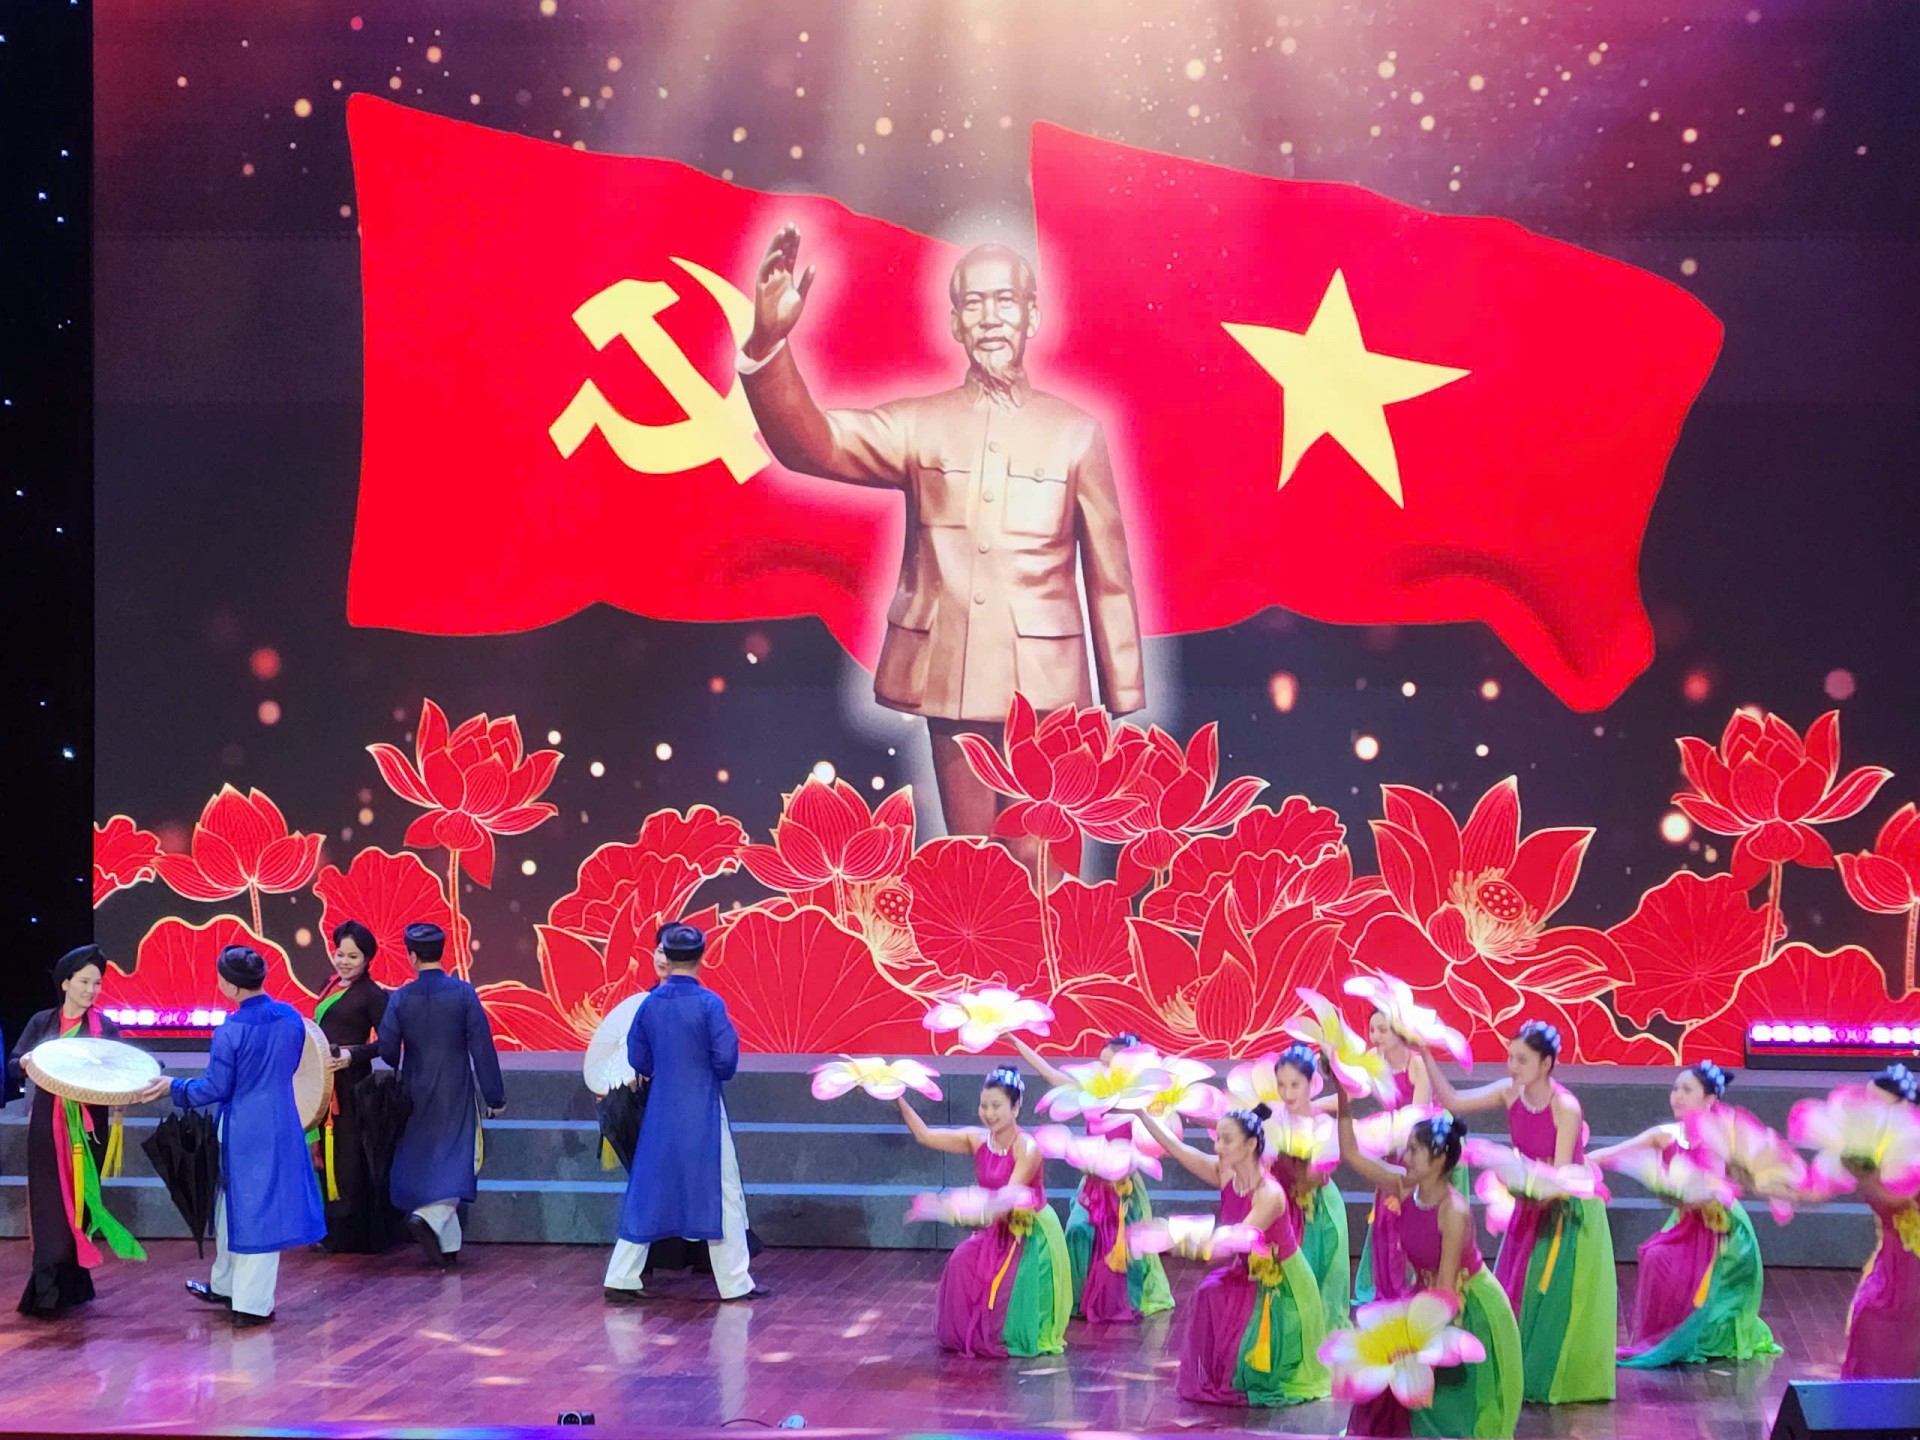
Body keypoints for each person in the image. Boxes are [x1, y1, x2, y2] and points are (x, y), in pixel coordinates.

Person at [739, 227, 1146, 862]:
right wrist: (769, 346)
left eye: (1005, 300)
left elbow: (1109, 573)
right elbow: (815, 443)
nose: (990, 318)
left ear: (1033, 315)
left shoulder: (1076, 434)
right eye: (973, 303)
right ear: (955, 322)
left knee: (1047, 871)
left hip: (1050, 686)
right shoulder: (920, 424)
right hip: (952, 675)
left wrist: (1123, 691)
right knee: (971, 868)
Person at [1422, 1020, 1616, 1404]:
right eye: (1510, 1058)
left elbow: (1561, 1176)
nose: (1513, 1067)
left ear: (1546, 1063)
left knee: (1551, 1297)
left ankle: (1549, 1376)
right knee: (1518, 1287)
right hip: (1531, 1203)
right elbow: (1454, 1101)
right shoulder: (1510, 1093)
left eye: (1522, 1060)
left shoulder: (1565, 1107)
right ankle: (1514, 1370)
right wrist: (1425, 1053)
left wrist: (1523, 1187)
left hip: (1568, 1211)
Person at [138, 944, 324, 1326]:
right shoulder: (291, 1018)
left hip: (242, 1129)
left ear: (232, 986)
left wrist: (173, 1086)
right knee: (237, 1207)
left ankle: (251, 1304)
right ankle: (226, 1285)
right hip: (280, 1124)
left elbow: (215, 1088)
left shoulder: (231, 1030)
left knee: (254, 1212)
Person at [1333, 1086, 1522, 1439]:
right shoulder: (1405, 1187)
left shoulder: (1453, 1212)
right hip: (1426, 1296)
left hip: (1463, 1303)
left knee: (1448, 1409)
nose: (1404, 1157)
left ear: (1437, 1159)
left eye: (1414, 1150)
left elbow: (1447, 1290)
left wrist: (1414, 1337)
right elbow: (1351, 1154)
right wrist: (1343, 1096)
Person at [604, 922, 766, 1303]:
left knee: (648, 1190)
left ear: (669, 956)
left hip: (660, 1111)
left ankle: (621, 1276)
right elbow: (725, 1061)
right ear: (700, 957)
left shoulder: (649, 1004)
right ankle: (734, 1282)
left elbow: (638, 1058)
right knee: (723, 1191)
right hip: (703, 1109)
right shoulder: (710, 1004)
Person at [1131, 1102, 1329, 1407]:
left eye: (1226, 1139)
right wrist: (1141, 1114)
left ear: (1250, 1145)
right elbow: (1177, 1148)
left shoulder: (1269, 1194)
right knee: (1208, 1292)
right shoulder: (1225, 1173)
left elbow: (1229, 1245)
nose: (1217, 1146)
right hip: (1246, 1272)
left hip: (1281, 1285)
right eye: (1218, 1138)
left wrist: (1173, 1236)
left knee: (1225, 1304)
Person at [1591, 1061, 1780, 1368]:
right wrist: (1574, 1166)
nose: (1677, 1095)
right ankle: (1665, 1331)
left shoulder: (1720, 1139)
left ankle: (1701, 1332)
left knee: (1683, 1268)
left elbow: (1722, 1188)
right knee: (1655, 1255)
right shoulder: (1666, 1135)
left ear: (1709, 1100)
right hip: (1686, 1222)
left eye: (1687, 1090)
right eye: (1675, 1089)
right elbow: (1613, 1154)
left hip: (1721, 1229)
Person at [8, 945, 144, 1316]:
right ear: (65, 983)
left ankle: (72, 1285)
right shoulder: (42, 1022)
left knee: (81, 1202)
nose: (91, 990)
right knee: (51, 1204)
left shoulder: (103, 1027)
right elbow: (14, 1063)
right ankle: (48, 1291)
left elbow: (122, 1069)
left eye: (96, 984)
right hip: (48, 1126)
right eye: (84, 982)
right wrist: (26, 1061)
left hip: (90, 1128)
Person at [897, 1067, 1071, 1357]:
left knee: (1005, 1285)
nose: (989, 1113)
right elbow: (924, 1134)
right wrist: (895, 1096)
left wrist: (952, 1209)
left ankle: (1006, 1331)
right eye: (984, 1105)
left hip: (1026, 1231)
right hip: (994, 1225)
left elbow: (1006, 1201)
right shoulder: (977, 1139)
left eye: (996, 1106)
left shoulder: (1027, 1148)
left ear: (1015, 1107)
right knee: (960, 1261)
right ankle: (970, 1332)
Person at [1009, 1030, 1175, 1322]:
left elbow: (1160, 1134)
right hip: (1093, 1182)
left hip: (1123, 1187)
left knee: (1123, 1244)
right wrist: (1013, 1040)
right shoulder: (1090, 1092)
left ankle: (1118, 1299)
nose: (1103, 1069)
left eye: (1110, 1065)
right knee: (1077, 1230)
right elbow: (1050, 1074)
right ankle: (1078, 1297)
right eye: (1101, 1063)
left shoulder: (1138, 1101)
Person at [377, 921, 506, 1269]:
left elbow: (387, 1050)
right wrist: (494, 1095)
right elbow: (482, 1048)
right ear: (442, 952)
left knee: (426, 1160)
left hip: (415, 1089)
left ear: (412, 956)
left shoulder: (401, 997)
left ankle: (448, 1249)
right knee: (459, 1158)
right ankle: (429, 1219)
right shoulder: (463, 994)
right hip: (455, 1088)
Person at [310, 920, 392, 1253]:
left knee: (349, 1156)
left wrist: (351, 1055)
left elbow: (387, 1044)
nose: (344, 961)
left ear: (368, 959)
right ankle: (327, 1227)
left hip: (352, 1084)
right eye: (340, 954)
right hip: (324, 1079)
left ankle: (351, 1233)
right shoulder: (329, 984)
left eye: (353, 956)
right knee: (324, 1154)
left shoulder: (373, 995)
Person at [1838, 1064, 1920, 1378]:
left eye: (1878, 1103)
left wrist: (1866, 1178)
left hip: (1914, 1267)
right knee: (1869, 1319)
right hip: (1893, 1261)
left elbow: (1898, 1199)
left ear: (1905, 1105)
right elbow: (1819, 1189)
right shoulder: (1879, 1145)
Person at [1350, 1006, 1434, 1305]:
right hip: (1391, 1148)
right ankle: (1388, 1288)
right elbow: (1350, 1092)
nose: (1375, 1036)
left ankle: (1411, 1288)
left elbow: (1419, 1116)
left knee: (1407, 1219)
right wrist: (1314, 1105)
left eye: (1382, 1030)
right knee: (1385, 1218)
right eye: (1372, 1030)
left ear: (1399, 1031)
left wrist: (1399, 1145)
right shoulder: (1375, 1061)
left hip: (1419, 1151)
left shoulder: (1416, 1065)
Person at [1266, 1044, 1349, 1334]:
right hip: (1282, 1207)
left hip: (1318, 1212)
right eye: (1281, 1085)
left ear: (1312, 1083)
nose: (1287, 1093)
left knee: (1316, 1277)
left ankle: (1316, 1339)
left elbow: (1313, 1177)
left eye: (1295, 1085)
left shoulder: (1323, 1125)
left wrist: (1290, 1159)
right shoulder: (1274, 1119)